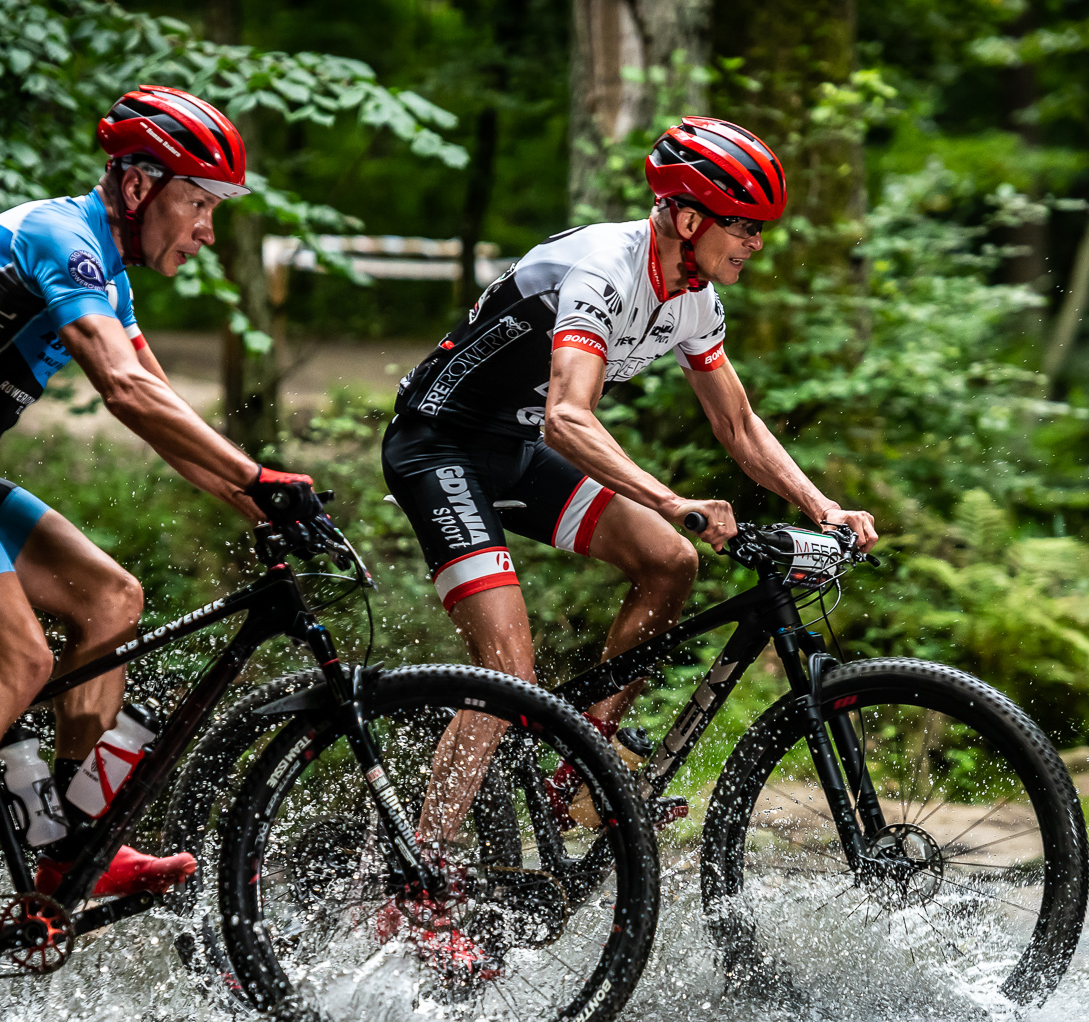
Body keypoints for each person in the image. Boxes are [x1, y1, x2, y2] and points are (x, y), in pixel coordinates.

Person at [0, 86, 332, 967]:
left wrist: (268, 508)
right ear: (137, 186)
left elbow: (157, 402)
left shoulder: (107, 274)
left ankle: (65, 846)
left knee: (109, 599)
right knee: (19, 660)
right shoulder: (62, 238)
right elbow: (122, 390)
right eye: (200, 203)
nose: (207, 230)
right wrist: (259, 478)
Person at [376, 117, 879, 977]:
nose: (756, 243)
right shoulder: (604, 271)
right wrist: (672, 499)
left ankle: (583, 763)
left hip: (514, 447)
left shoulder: (696, 297)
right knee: (508, 671)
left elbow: (737, 424)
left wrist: (821, 504)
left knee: (670, 562)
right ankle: (414, 888)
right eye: (743, 225)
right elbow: (569, 417)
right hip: (439, 447)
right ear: (687, 218)